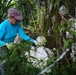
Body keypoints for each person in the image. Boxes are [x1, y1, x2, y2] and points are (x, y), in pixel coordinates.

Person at [0, 8, 38, 75]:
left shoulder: (17, 25)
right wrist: (5, 44)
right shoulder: (3, 25)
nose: (17, 21)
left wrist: (33, 41)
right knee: (4, 64)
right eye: (16, 19)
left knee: (10, 62)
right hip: (2, 47)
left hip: (10, 46)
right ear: (10, 18)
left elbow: (24, 36)